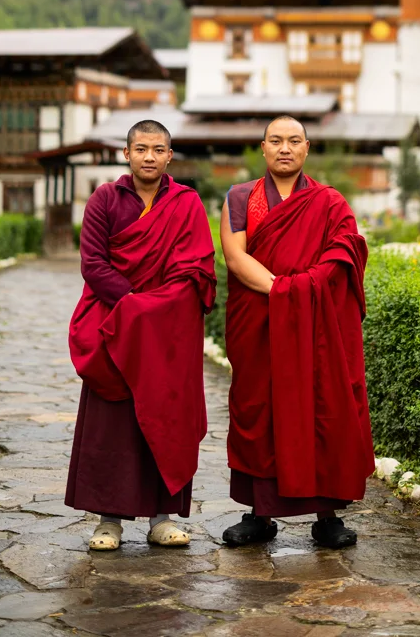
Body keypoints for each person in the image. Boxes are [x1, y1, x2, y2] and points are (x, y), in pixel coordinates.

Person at [220, 115, 374, 550]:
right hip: (261, 317)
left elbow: (344, 251)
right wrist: (285, 292)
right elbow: (235, 257)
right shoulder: (239, 196)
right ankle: (259, 514)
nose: (284, 148)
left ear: (307, 149)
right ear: (263, 148)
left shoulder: (329, 201)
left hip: (314, 322)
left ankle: (327, 517)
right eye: (275, 141)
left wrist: (299, 292)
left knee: (320, 406)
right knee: (259, 408)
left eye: (293, 141)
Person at [65, 119, 216, 551]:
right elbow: (93, 265)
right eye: (141, 148)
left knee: (166, 418)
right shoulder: (105, 199)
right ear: (127, 154)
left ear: (170, 157)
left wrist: (156, 309)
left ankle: (162, 518)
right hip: (117, 321)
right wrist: (136, 304)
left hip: (167, 329)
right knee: (112, 423)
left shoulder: (186, 203)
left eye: (158, 149)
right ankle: (107, 521)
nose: (149, 156)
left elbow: (197, 268)